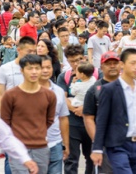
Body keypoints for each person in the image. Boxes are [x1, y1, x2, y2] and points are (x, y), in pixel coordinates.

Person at [91, 48, 136, 174]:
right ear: (122, 65)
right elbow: (101, 119)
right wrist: (97, 148)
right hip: (118, 145)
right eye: (133, 63)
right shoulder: (109, 90)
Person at [0, 54, 57, 174]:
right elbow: (4, 122)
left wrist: (37, 132)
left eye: (37, 68)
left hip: (41, 147)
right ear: (22, 71)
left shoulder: (49, 95)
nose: (34, 72)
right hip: (18, 148)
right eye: (30, 68)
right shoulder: (10, 95)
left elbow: (49, 120)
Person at [57, 44, 93, 174]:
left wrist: (85, 109)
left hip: (91, 123)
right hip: (72, 124)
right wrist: (74, 109)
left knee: (92, 158)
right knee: (71, 159)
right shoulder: (64, 77)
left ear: (84, 58)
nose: (76, 63)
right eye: (72, 61)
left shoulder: (95, 74)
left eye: (79, 60)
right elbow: (62, 97)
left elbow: (100, 96)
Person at [83, 51, 121, 174]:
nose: (112, 66)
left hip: (125, 142)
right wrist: (97, 141)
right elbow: (88, 118)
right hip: (104, 142)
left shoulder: (129, 86)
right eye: (108, 64)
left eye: (115, 63)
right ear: (101, 67)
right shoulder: (94, 90)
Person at [38, 55, 71, 174]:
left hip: (55, 144)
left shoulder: (59, 91)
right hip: (33, 147)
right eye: (42, 67)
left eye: (48, 67)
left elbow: (63, 119)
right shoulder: (26, 91)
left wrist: (65, 144)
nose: (46, 70)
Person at [0, 36, 37, 113]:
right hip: (10, 111)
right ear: (18, 50)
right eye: (29, 51)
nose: (32, 54)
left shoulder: (37, 69)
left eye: (34, 51)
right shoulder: (5, 68)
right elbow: (0, 94)